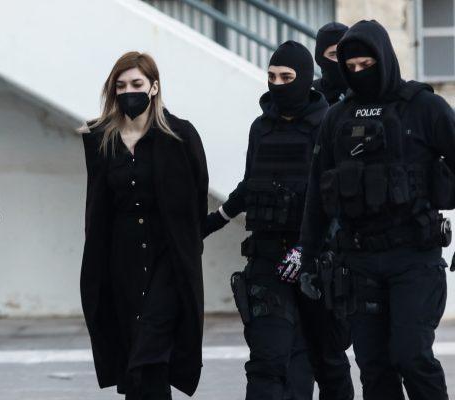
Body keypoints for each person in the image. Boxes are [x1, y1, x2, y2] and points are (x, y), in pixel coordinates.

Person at [298, 20, 454, 400]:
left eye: (366, 65)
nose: (358, 73)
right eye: (350, 67)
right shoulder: (337, 117)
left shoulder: (424, 107)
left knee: (411, 355)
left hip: (414, 257)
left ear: (384, 59)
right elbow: (318, 192)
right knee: (373, 366)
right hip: (359, 261)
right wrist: (308, 258)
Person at [205, 40, 353, 400]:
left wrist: (306, 248)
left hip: (316, 263)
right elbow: (250, 184)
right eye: (271, 77)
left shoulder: (329, 123)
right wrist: (212, 221)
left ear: (303, 78)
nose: (277, 84)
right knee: (267, 361)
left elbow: (336, 200)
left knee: (327, 361)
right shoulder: (261, 128)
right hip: (268, 260)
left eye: (286, 77)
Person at [80, 51, 208, 400]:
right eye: (120, 86)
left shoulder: (180, 135)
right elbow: (97, 208)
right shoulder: (100, 139)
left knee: (149, 353)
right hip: (122, 263)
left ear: (154, 87)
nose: (128, 92)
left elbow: (197, 198)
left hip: (168, 262)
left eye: (136, 83)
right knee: (135, 361)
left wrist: (189, 245)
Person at [313, 22, 350, 106]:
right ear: (320, 58)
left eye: (345, 52)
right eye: (334, 54)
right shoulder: (310, 95)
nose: (340, 60)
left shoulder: (363, 92)